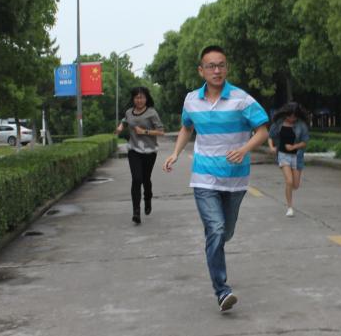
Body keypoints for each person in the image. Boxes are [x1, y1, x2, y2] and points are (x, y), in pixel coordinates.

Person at [163, 45, 269, 312]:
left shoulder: (242, 99)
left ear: (227, 68)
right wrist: (175, 153)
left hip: (235, 179)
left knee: (225, 232)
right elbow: (186, 128)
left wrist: (244, 149)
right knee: (217, 229)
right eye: (211, 66)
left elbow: (263, 131)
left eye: (221, 65)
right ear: (201, 71)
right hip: (204, 177)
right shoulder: (191, 100)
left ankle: (215, 242)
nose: (216, 70)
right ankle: (222, 291)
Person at [115, 86, 165, 224]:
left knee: (146, 179)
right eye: (136, 97)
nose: (139, 100)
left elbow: (161, 131)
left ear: (146, 98)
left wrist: (144, 132)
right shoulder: (129, 112)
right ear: (133, 99)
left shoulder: (152, 113)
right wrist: (120, 127)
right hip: (134, 150)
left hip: (149, 151)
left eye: (142, 97)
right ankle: (136, 212)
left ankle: (148, 197)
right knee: (136, 179)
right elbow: (125, 120)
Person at [267, 102, 310, 217]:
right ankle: (290, 207)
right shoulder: (278, 123)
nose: (292, 118)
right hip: (283, 155)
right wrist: (271, 147)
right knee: (289, 181)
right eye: (290, 116)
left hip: (297, 156)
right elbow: (270, 136)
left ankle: (290, 193)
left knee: (295, 185)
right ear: (285, 113)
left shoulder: (301, 125)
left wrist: (294, 147)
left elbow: (305, 142)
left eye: (294, 116)